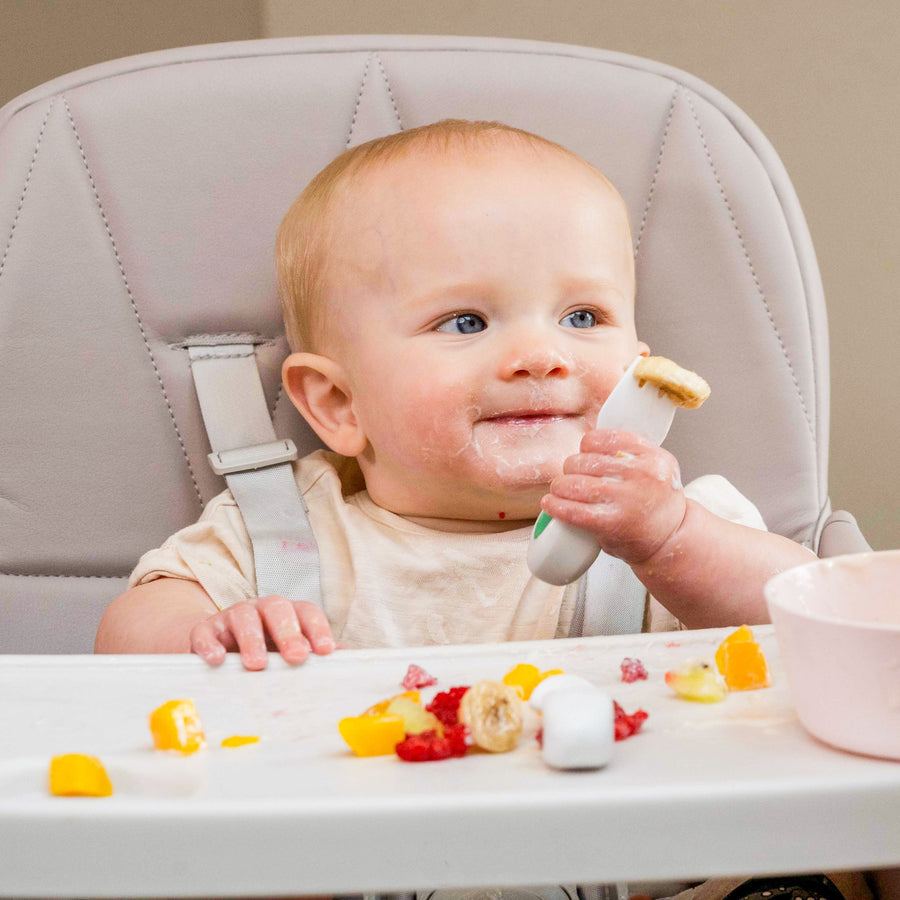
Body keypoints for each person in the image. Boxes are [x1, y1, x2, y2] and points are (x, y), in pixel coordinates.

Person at [94, 120, 878, 900]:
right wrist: (206, 634)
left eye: (583, 317)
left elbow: (810, 621)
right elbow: (126, 636)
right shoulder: (286, 533)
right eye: (465, 322)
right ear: (337, 404)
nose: (542, 355)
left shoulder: (676, 518)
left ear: (641, 374)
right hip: (351, 870)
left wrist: (669, 538)